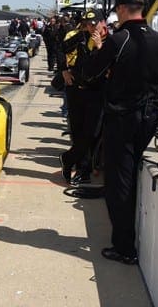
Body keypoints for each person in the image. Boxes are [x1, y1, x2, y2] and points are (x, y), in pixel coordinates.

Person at [82, 0, 158, 265]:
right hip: (149, 117)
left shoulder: (119, 39)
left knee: (119, 183)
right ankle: (128, 241)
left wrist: (97, 48)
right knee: (130, 180)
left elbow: (90, 72)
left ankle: (124, 247)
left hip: (123, 119)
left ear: (121, 9)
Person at [60, 9, 108, 185]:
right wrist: (63, 70)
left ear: (103, 22)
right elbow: (62, 48)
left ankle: (68, 158)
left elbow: (110, 65)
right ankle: (83, 170)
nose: (92, 27)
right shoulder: (82, 36)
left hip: (96, 92)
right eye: (88, 24)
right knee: (78, 131)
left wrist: (99, 47)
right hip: (76, 90)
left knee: (91, 133)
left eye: (94, 24)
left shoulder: (110, 41)